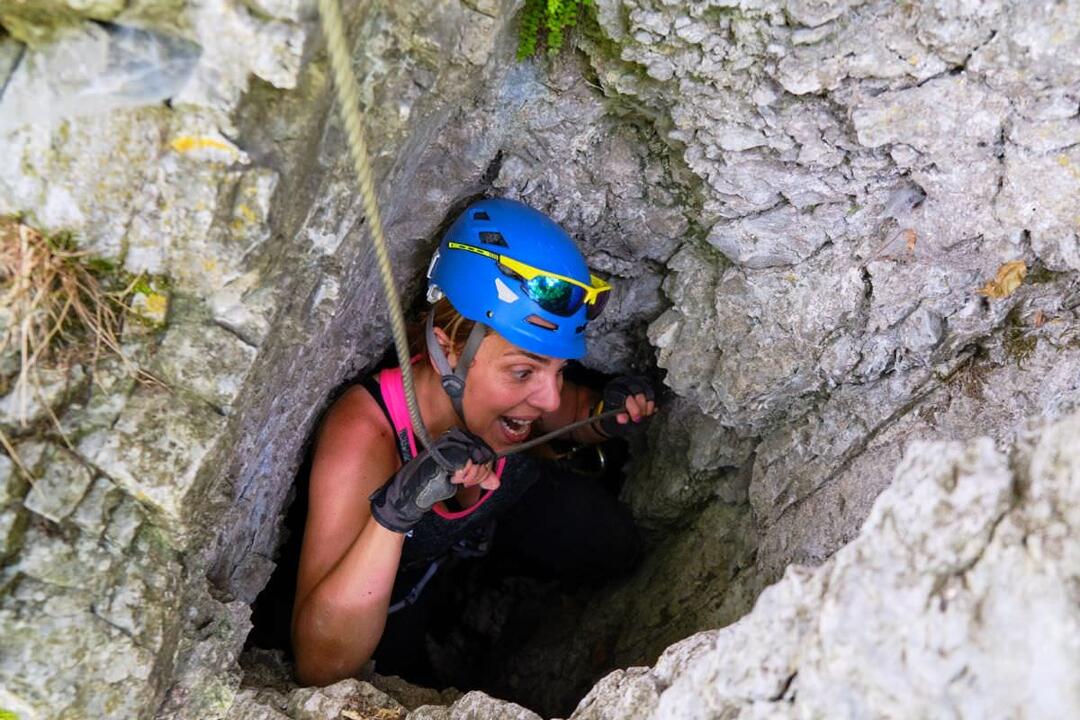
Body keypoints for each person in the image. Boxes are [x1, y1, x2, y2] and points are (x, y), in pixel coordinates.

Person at [289, 198, 656, 687]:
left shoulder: (523, 394)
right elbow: (319, 666)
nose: (549, 397)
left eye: (559, 369)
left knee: (618, 546)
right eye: (523, 371)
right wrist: (398, 509)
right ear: (447, 350)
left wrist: (604, 415)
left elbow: (567, 412)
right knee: (403, 673)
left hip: (494, 528)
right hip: (400, 595)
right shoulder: (365, 434)